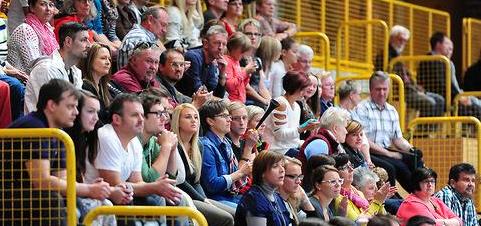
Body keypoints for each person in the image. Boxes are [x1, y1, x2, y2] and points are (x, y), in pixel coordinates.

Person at [4, 79, 110, 225]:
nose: (76, 112)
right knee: (51, 200)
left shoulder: (59, 133)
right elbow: (42, 181)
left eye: (77, 107)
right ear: (52, 105)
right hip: (7, 197)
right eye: (70, 106)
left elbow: (63, 180)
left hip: (25, 197)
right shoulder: (35, 127)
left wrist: (91, 189)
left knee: (96, 203)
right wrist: (88, 189)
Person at [85, 93, 183, 214]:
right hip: (94, 201)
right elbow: (114, 184)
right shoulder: (107, 136)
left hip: (117, 198)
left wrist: (157, 187)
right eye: (135, 115)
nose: (141, 119)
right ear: (116, 119)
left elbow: (138, 182)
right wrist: (155, 187)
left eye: (142, 115)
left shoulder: (134, 142)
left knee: (173, 199)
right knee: (156, 199)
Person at [352, 71, 424, 193]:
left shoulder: (392, 110)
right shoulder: (361, 109)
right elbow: (363, 139)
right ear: (370, 89)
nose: (382, 93)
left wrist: (411, 149)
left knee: (416, 160)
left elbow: (397, 139)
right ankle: (397, 197)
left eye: (385, 89)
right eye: (378, 89)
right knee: (394, 167)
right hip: (369, 151)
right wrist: (387, 154)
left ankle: (423, 192)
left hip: (386, 150)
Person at [171, 103, 236, 225]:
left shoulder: (198, 146)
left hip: (197, 195)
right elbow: (181, 182)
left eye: (196, 117)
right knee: (226, 218)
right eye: (188, 117)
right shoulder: (174, 144)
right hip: (181, 196)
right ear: (177, 121)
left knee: (236, 214)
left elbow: (196, 181)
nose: (193, 120)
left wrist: (205, 199)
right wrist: (204, 200)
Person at [64, 90, 117, 224]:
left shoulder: (85, 138)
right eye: (90, 111)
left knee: (105, 204)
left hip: (77, 194)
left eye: (97, 112)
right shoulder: (63, 138)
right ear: (76, 110)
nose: (96, 118)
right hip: (62, 199)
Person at [375, 25, 444, 117]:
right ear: (392, 38)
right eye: (400, 39)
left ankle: (430, 130)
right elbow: (394, 78)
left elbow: (407, 76)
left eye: (404, 41)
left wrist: (416, 87)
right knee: (429, 102)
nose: (402, 43)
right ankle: (421, 130)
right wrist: (413, 89)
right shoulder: (385, 55)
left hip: (410, 90)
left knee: (440, 100)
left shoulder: (398, 56)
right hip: (400, 92)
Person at [25, 22, 90, 113]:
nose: (89, 45)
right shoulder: (46, 69)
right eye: (84, 40)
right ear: (68, 42)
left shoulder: (75, 72)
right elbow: (53, 112)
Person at [199, 99, 252, 208]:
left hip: (230, 196)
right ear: (210, 121)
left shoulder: (226, 142)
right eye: (224, 116)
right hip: (216, 199)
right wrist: (241, 173)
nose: (229, 120)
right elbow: (212, 185)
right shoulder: (207, 146)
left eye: (229, 116)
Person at [418, 32, 481, 118]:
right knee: (475, 110)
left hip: (452, 96)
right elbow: (441, 85)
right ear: (438, 44)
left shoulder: (445, 62)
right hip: (444, 97)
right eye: (447, 43)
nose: (451, 46)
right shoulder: (430, 60)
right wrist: (458, 97)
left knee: (475, 103)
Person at [263, 71, 318, 155]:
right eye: (303, 89)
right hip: (276, 151)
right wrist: (303, 127)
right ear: (295, 87)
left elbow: (293, 140)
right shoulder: (281, 103)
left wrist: (307, 143)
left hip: (288, 148)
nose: (305, 92)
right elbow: (280, 135)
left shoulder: (297, 106)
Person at [234, 151, 292, 226]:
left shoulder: (277, 196)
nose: (282, 170)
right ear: (262, 173)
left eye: (282, 166)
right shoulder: (253, 199)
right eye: (275, 166)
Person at [332, 153, 390, 223]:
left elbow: (382, 217)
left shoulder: (358, 192)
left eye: (350, 165)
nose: (351, 169)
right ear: (335, 173)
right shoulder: (340, 199)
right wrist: (377, 202)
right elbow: (361, 224)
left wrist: (381, 201)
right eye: (345, 167)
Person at [175, 25, 228, 98]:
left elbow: (217, 95)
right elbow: (199, 92)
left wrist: (222, 75)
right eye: (217, 43)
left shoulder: (211, 63)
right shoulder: (193, 57)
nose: (220, 47)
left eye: (224, 44)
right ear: (205, 43)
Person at [397, 167, 462, 226]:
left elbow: (459, 221)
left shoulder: (435, 200)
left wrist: (442, 222)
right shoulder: (411, 204)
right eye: (426, 181)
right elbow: (431, 225)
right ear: (416, 184)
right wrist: (450, 222)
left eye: (432, 181)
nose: (430, 185)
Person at [7, 0, 58, 73]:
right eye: (43, 4)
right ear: (31, 8)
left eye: (51, 5)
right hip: (24, 81)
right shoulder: (26, 30)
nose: (48, 9)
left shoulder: (48, 28)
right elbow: (35, 68)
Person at [55, 0, 119, 52]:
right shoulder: (67, 24)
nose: (87, 3)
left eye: (90, 0)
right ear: (72, 3)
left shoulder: (83, 23)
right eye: (82, 1)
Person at [78, 43, 114, 122]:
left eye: (109, 59)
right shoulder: (84, 86)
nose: (108, 62)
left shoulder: (104, 86)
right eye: (103, 58)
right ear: (90, 60)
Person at [245, 35, 279, 108]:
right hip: (251, 101)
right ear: (271, 51)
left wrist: (272, 103)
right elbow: (254, 88)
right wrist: (267, 102)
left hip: (261, 100)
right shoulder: (255, 62)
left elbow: (263, 89)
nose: (280, 53)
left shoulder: (268, 66)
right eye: (277, 50)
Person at [278, 157, 315, 225]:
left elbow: (314, 221)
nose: (298, 181)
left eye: (300, 176)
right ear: (280, 176)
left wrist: (305, 199)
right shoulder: (274, 204)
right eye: (292, 176)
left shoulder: (291, 200)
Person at [224, 32, 256, 103]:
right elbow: (230, 86)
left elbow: (241, 85)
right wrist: (245, 72)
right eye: (242, 51)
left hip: (240, 101)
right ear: (233, 48)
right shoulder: (227, 61)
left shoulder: (236, 61)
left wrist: (248, 75)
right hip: (232, 102)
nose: (244, 54)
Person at [298, 73, 321, 140]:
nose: (311, 88)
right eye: (309, 85)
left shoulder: (312, 104)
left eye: (314, 86)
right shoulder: (297, 102)